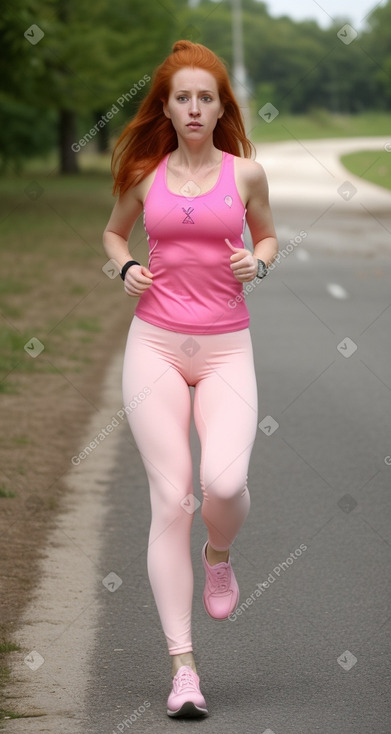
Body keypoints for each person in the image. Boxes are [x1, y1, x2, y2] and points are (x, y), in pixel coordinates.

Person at [103, 39, 278, 718]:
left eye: (207, 97)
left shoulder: (247, 175)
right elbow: (114, 235)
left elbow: (266, 238)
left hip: (226, 349)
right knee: (172, 497)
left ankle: (218, 551)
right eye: (183, 97)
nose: (196, 107)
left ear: (220, 105)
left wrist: (257, 265)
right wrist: (123, 269)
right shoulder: (144, 173)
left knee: (224, 485)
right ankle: (182, 668)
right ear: (168, 108)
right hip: (154, 347)